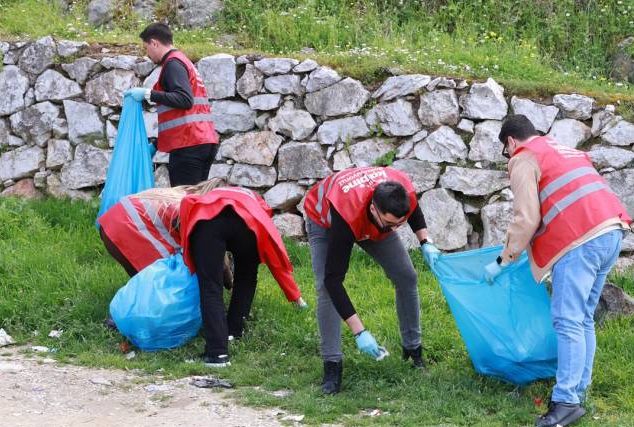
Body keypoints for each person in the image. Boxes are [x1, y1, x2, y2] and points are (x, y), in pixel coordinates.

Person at [489, 114, 631, 427]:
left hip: (580, 241)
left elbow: (526, 217)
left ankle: (565, 402)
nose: (508, 158)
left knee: (567, 320)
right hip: (611, 231)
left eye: (506, 151)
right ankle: (578, 392)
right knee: (582, 317)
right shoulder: (562, 149)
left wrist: (503, 259)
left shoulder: (524, 158)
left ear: (510, 142)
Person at [302, 166, 441, 394]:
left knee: (407, 276)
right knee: (326, 290)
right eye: (389, 224)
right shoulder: (346, 212)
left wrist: (425, 242)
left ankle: (413, 350)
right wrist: (360, 332)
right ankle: (332, 366)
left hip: (365, 217)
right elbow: (333, 280)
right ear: (374, 209)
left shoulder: (402, 189)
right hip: (327, 220)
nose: (394, 229)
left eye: (399, 224)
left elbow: (413, 212)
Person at [178, 186, 306, 367]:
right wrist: (295, 296)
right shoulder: (255, 200)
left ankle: (217, 354)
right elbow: (276, 258)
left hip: (209, 218)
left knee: (211, 287)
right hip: (249, 221)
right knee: (246, 277)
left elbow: (187, 208)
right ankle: (233, 331)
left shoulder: (209, 196)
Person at [123, 22, 219, 186]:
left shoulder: (173, 64)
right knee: (197, 201)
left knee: (184, 201)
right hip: (201, 141)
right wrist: (156, 145)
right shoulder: (183, 62)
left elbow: (184, 100)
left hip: (189, 146)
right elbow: (181, 116)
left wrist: (148, 93)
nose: (147, 54)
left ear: (155, 43)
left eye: (146, 48)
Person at [97, 178, 224, 276]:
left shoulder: (178, 192)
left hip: (108, 226)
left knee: (145, 284)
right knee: (167, 281)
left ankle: (135, 302)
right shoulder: (191, 207)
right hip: (126, 230)